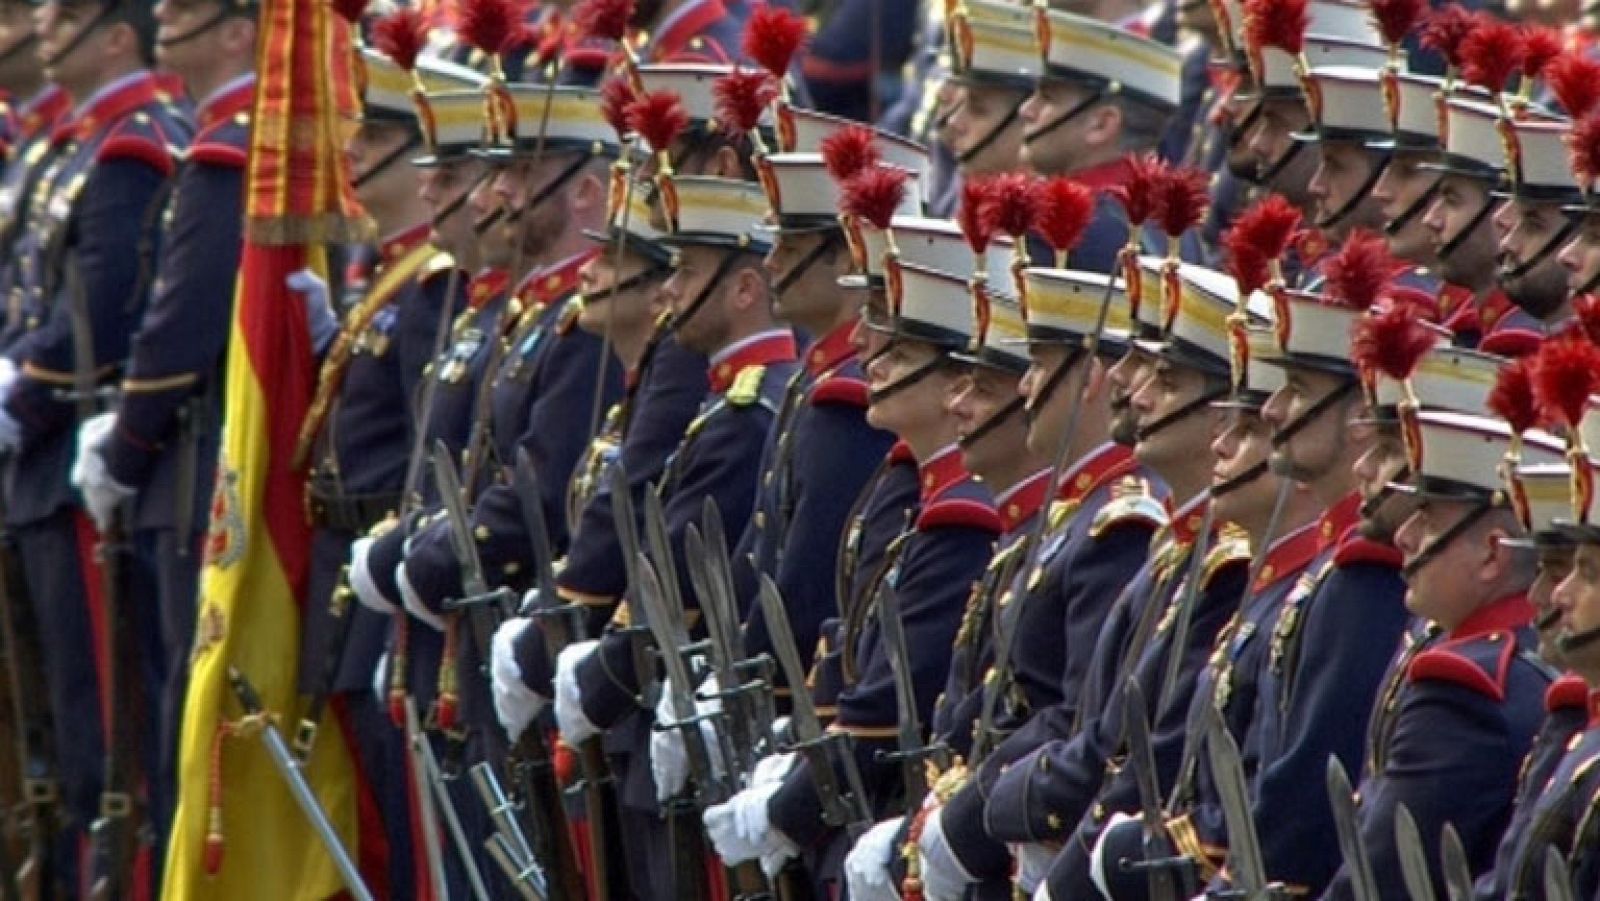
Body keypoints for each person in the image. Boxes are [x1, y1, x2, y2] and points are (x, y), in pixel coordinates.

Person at [0, 0, 189, 888]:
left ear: (118, 33)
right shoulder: (69, 148)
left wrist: (23, 389)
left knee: (111, 742)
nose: (42, 26)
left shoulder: (133, 144)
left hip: (83, 469)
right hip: (37, 469)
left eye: (67, 12)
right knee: (59, 728)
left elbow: (109, 306)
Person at [67, 0, 256, 864]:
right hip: (179, 461)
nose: (164, 19)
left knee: (181, 696)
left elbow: (181, 323)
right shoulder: (209, 138)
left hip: (188, 466)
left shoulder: (226, 150)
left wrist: (127, 441)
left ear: (239, 31)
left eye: (188, 10)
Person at [299, 41, 475, 898]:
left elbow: (426, 446)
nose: (353, 155)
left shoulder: (432, 283)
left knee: (406, 827)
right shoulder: (388, 273)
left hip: (390, 568)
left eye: (373, 138)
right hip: (353, 563)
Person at [1322, 409, 1560, 899]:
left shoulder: (1463, 693)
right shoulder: (1507, 653)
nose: (1405, 536)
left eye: (1428, 519)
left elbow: (1379, 879)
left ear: (1493, 554)